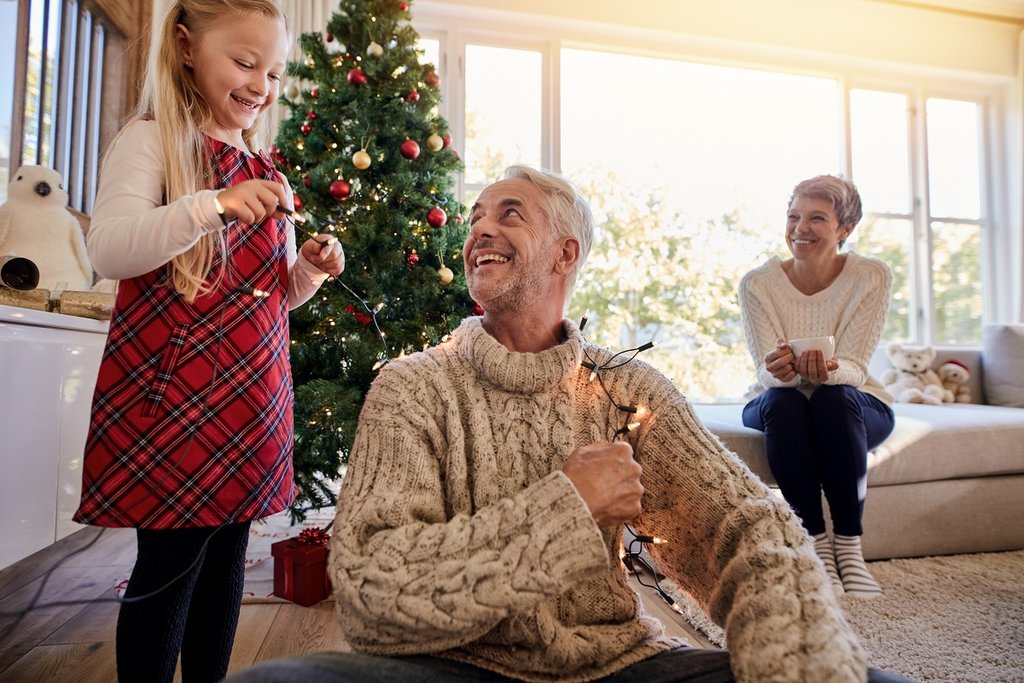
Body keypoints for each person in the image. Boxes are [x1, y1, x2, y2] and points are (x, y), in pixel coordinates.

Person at [227, 167, 913, 683]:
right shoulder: (412, 387)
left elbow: (750, 534)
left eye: (510, 214)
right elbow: (372, 589)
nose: (479, 230)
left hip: (617, 666)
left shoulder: (627, 389)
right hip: (455, 667)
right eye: (475, 218)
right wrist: (567, 506)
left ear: (565, 254)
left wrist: (792, 666)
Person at [71, 1, 343, 681]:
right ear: (187, 48)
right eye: (245, 63)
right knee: (168, 567)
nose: (261, 85)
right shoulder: (152, 139)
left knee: (226, 562)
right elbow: (109, 248)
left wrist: (307, 268)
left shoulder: (267, 169)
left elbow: (274, 293)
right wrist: (211, 204)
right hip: (172, 394)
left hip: (252, 396)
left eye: (274, 71)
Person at [738, 175, 894, 599]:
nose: (799, 228)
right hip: (776, 398)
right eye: (793, 216)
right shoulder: (759, 283)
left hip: (851, 399)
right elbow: (765, 372)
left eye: (816, 218)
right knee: (783, 401)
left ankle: (849, 548)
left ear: (845, 229)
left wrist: (827, 371)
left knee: (831, 397)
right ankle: (816, 546)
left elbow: (857, 368)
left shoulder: (871, 276)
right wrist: (780, 372)